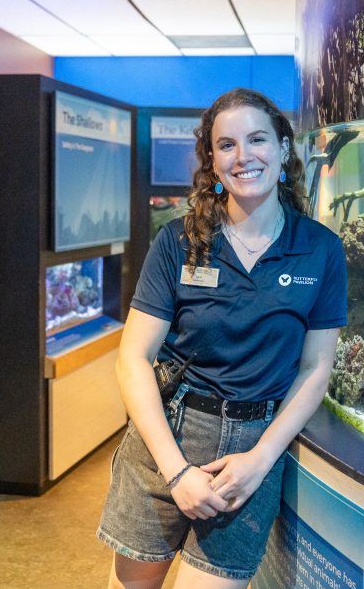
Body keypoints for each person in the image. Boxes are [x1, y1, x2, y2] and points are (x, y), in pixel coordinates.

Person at [97, 88, 347, 588]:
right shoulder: (180, 241)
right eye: (226, 145)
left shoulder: (320, 250)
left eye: (256, 139)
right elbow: (134, 359)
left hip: (252, 453)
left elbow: (315, 368)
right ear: (212, 161)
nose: (243, 156)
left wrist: (261, 459)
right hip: (166, 438)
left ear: (281, 148)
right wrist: (175, 472)